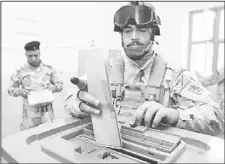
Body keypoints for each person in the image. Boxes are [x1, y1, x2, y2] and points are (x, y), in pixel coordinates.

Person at [64, 2, 224, 136]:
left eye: (141, 30)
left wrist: (174, 115)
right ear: (121, 35)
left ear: (153, 34)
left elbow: (217, 115)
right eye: (127, 30)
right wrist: (78, 101)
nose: (134, 36)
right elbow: (69, 100)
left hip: (157, 151)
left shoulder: (175, 74)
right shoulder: (105, 69)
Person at [8, 41, 63, 130]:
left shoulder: (48, 69)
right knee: (29, 139)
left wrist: (55, 87)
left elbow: (60, 84)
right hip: (30, 115)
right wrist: (19, 91)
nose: (33, 58)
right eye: (30, 56)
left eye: (35, 55)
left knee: (49, 137)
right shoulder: (20, 71)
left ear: (39, 53)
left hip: (47, 114)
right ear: (25, 55)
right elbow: (10, 89)